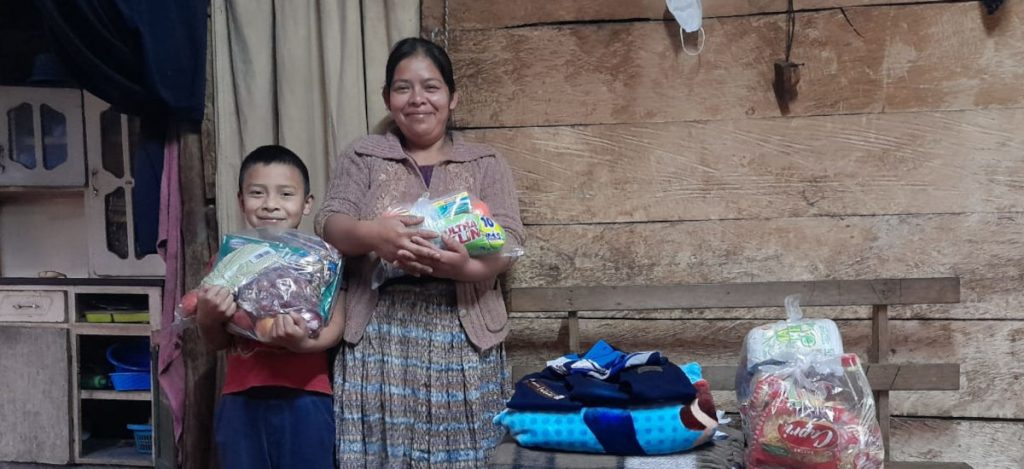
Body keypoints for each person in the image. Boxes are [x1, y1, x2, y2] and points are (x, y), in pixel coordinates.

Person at [316, 37, 525, 468]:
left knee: (466, 455)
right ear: (387, 98)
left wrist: (462, 267)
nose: (417, 100)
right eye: (402, 88)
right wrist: (375, 235)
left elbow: (508, 242)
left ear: (452, 98)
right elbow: (330, 223)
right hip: (378, 337)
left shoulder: (486, 162)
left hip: (461, 338)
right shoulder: (363, 155)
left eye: (431, 87)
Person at [195, 145, 344, 469]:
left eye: (285, 194)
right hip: (241, 398)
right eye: (257, 193)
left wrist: (302, 343)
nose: (270, 205)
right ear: (240, 200)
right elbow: (219, 341)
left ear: (307, 204)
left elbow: (335, 327)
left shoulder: (322, 261)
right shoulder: (229, 261)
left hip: (308, 395)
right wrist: (206, 318)